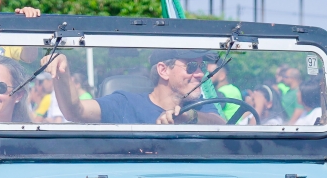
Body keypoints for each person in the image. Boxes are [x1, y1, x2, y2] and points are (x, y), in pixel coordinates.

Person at [45, 49, 223, 125]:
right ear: (163, 70)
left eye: (201, 67)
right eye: (191, 66)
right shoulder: (125, 104)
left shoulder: (199, 107)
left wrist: (188, 116)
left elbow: (222, 125)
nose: (200, 74)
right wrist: (61, 72)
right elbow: (75, 112)